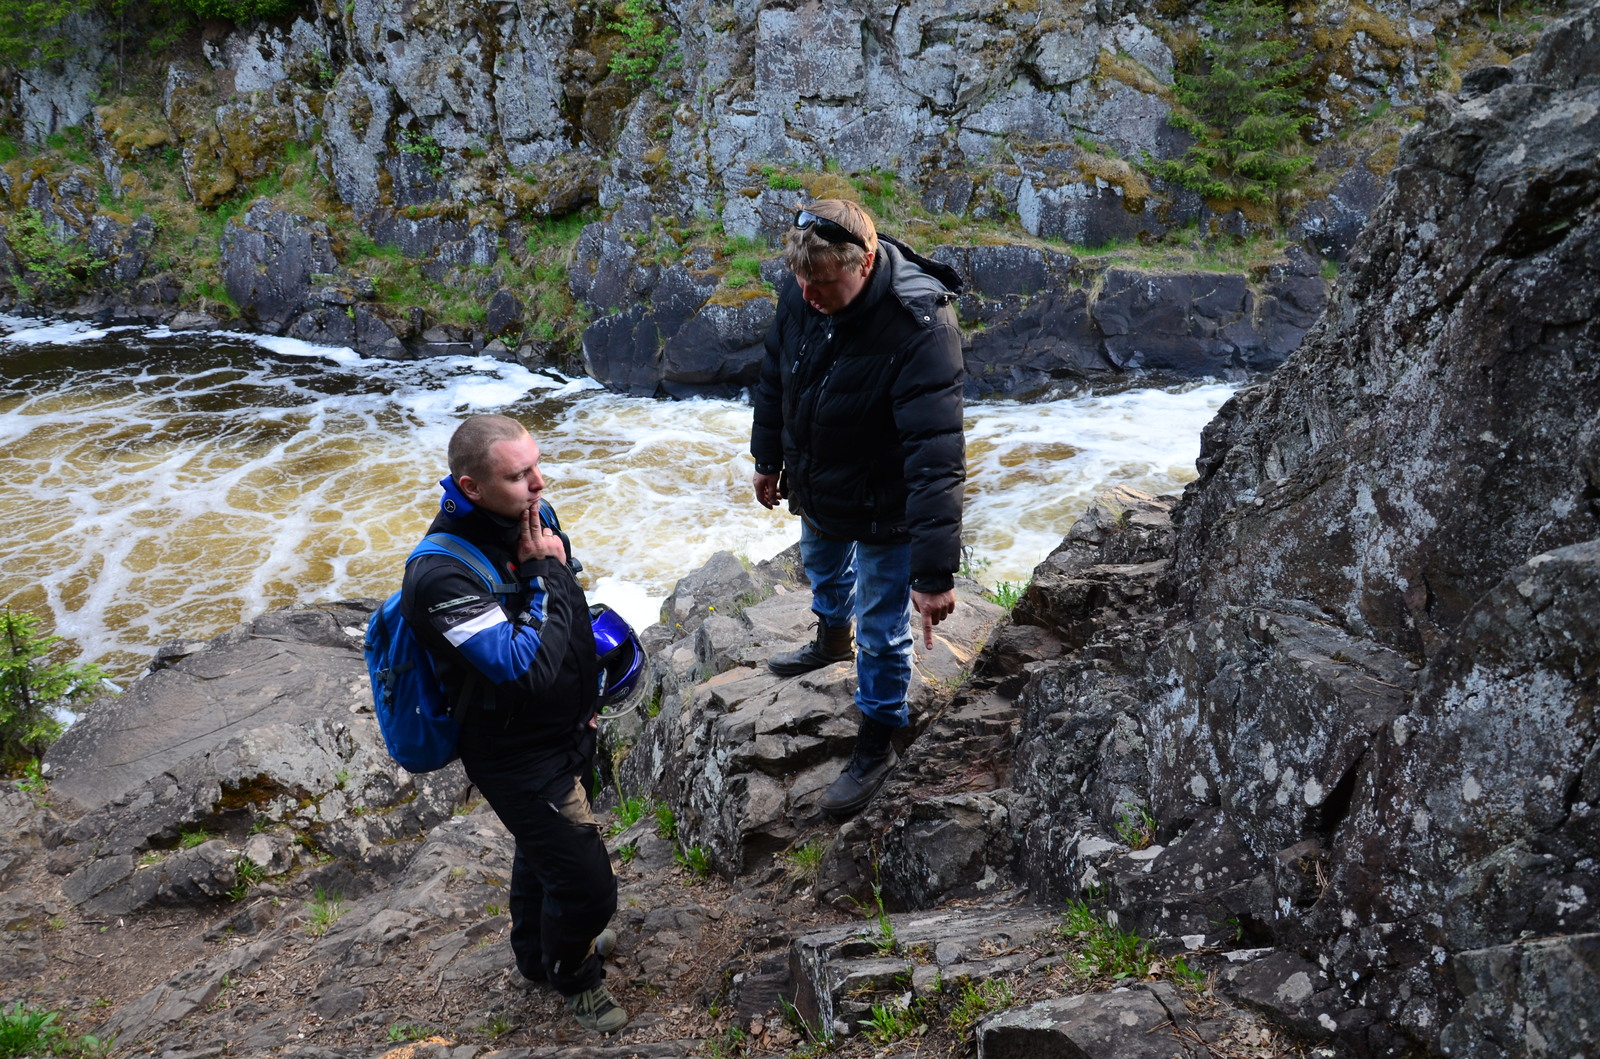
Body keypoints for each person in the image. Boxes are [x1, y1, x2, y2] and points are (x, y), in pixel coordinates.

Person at [400, 413, 626, 1035]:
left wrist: (590, 693)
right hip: (514, 753)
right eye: (519, 475)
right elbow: (523, 670)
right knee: (588, 891)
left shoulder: (532, 517)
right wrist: (545, 572)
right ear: (471, 487)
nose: (539, 483)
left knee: (543, 854)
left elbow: (562, 617)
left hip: (568, 727)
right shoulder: (439, 577)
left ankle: (537, 957)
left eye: (536, 465)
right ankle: (573, 975)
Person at [750, 199, 965, 817]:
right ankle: (827, 637)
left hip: (889, 504)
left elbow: (936, 455)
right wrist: (768, 458)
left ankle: (876, 746)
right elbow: (775, 376)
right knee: (819, 558)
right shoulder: (805, 286)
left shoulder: (920, 326)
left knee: (883, 630)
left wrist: (932, 574)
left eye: (824, 286)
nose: (809, 296)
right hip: (822, 480)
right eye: (801, 283)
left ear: (865, 262)